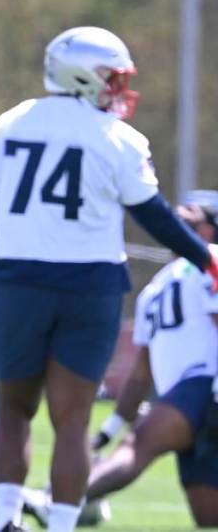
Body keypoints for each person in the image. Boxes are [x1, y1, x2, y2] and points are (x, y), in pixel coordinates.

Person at [0, 27, 218, 532]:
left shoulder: (10, 123)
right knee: (73, 420)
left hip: (18, 278)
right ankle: (62, 525)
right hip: (90, 284)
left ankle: (6, 520)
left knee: (13, 409)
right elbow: (154, 216)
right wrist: (206, 259)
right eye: (114, 78)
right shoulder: (120, 139)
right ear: (86, 76)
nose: (119, 89)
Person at [62, 195, 218, 527]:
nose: (179, 216)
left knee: (137, 448)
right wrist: (109, 431)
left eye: (190, 212)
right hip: (183, 396)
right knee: (209, 518)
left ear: (208, 228)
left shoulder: (211, 261)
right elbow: (140, 375)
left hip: (202, 386)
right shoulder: (157, 285)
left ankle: (57, 502)